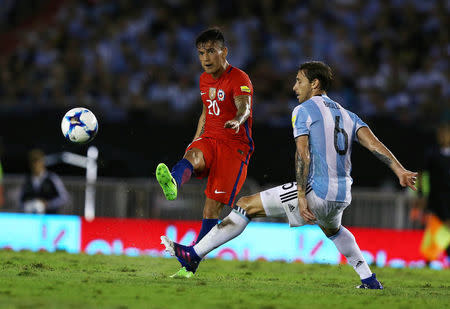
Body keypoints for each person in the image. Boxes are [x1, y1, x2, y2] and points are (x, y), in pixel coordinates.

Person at [161, 61, 418, 288]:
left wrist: (302, 196)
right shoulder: (348, 115)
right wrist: (400, 170)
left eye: (299, 81)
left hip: (315, 192)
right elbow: (374, 145)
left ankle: (193, 254)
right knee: (334, 230)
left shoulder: (303, 111)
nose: (295, 87)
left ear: (315, 84)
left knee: (243, 207)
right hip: (341, 195)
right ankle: (369, 279)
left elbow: (302, 154)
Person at [156, 28, 254, 277]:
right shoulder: (203, 79)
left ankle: (190, 266)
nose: (206, 58)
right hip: (209, 138)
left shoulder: (239, 78)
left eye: (211, 51)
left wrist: (238, 120)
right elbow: (204, 113)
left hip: (234, 148)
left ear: (224, 52)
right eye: (201, 53)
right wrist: (195, 140)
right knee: (192, 157)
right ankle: (174, 182)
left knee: (211, 212)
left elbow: (245, 107)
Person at [415, 122, 450, 261]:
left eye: (446, 133)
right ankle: (431, 256)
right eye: (441, 134)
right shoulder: (432, 154)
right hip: (437, 197)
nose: (443, 137)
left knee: (444, 226)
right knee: (440, 224)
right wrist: (421, 194)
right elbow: (421, 174)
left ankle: (433, 255)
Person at [20, 149, 69, 214]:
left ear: (42, 162)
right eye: (33, 162)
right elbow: (20, 200)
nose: (35, 165)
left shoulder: (52, 178)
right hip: (32, 218)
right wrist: (27, 205)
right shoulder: (27, 180)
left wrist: (48, 204)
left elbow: (64, 197)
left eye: (37, 161)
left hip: (50, 217)